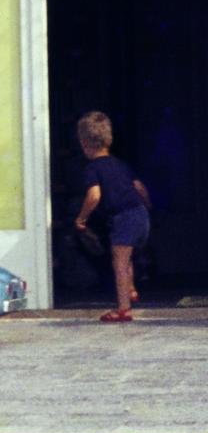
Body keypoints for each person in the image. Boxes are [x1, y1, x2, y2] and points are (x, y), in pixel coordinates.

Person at [73, 110, 152, 323]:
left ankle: (123, 309)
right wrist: (147, 206)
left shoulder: (92, 169)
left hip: (123, 218)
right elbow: (139, 187)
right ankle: (131, 289)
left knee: (119, 262)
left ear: (83, 142)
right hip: (140, 214)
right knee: (127, 258)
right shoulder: (120, 164)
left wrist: (81, 219)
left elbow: (94, 196)